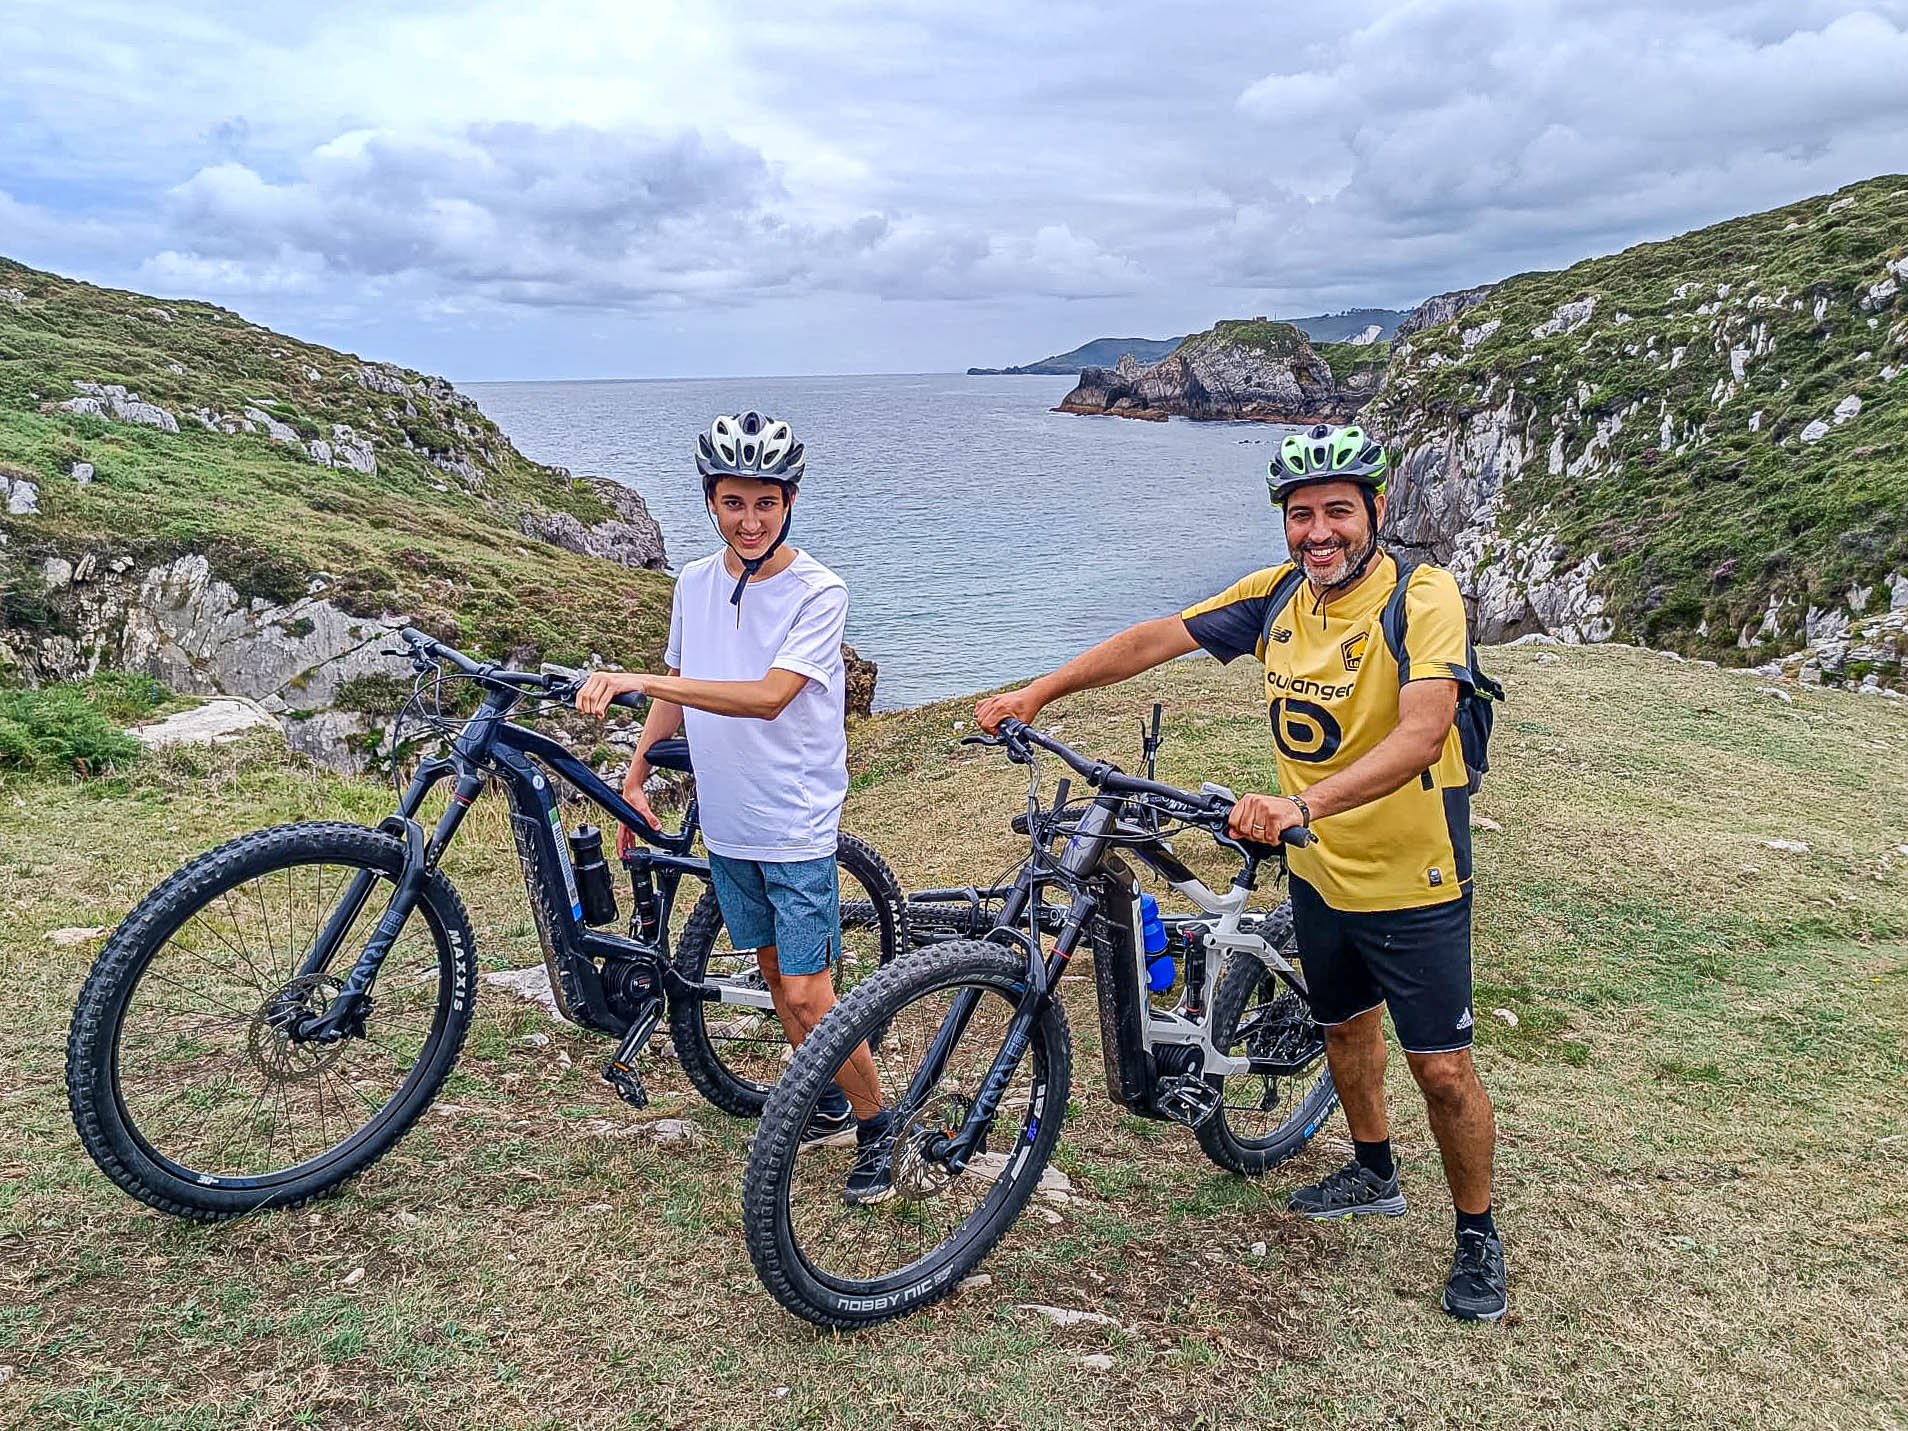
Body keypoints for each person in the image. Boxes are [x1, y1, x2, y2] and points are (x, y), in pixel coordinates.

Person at [973, 422, 1507, 1320]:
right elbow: (1158, 637)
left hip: (1416, 879)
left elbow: (1425, 731)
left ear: (1376, 510)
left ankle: (1478, 1232)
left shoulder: (1423, 595)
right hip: (1319, 873)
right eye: (1301, 515)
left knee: (1443, 1070)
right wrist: (1038, 691)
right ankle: (1373, 1170)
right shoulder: (1277, 598)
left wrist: (1303, 804)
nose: (1319, 532)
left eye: (1338, 511)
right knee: (1344, 1031)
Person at [578, 411, 892, 1205]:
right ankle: (827, 1099)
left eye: (765, 503)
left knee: (810, 993)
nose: (750, 520)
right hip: (727, 819)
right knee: (773, 972)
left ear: (789, 502)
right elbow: (682, 683)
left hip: (793, 818)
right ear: (710, 501)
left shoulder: (819, 591)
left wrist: (643, 681)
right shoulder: (693, 582)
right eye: (733, 503)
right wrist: (637, 768)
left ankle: (881, 1125)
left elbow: (767, 695)